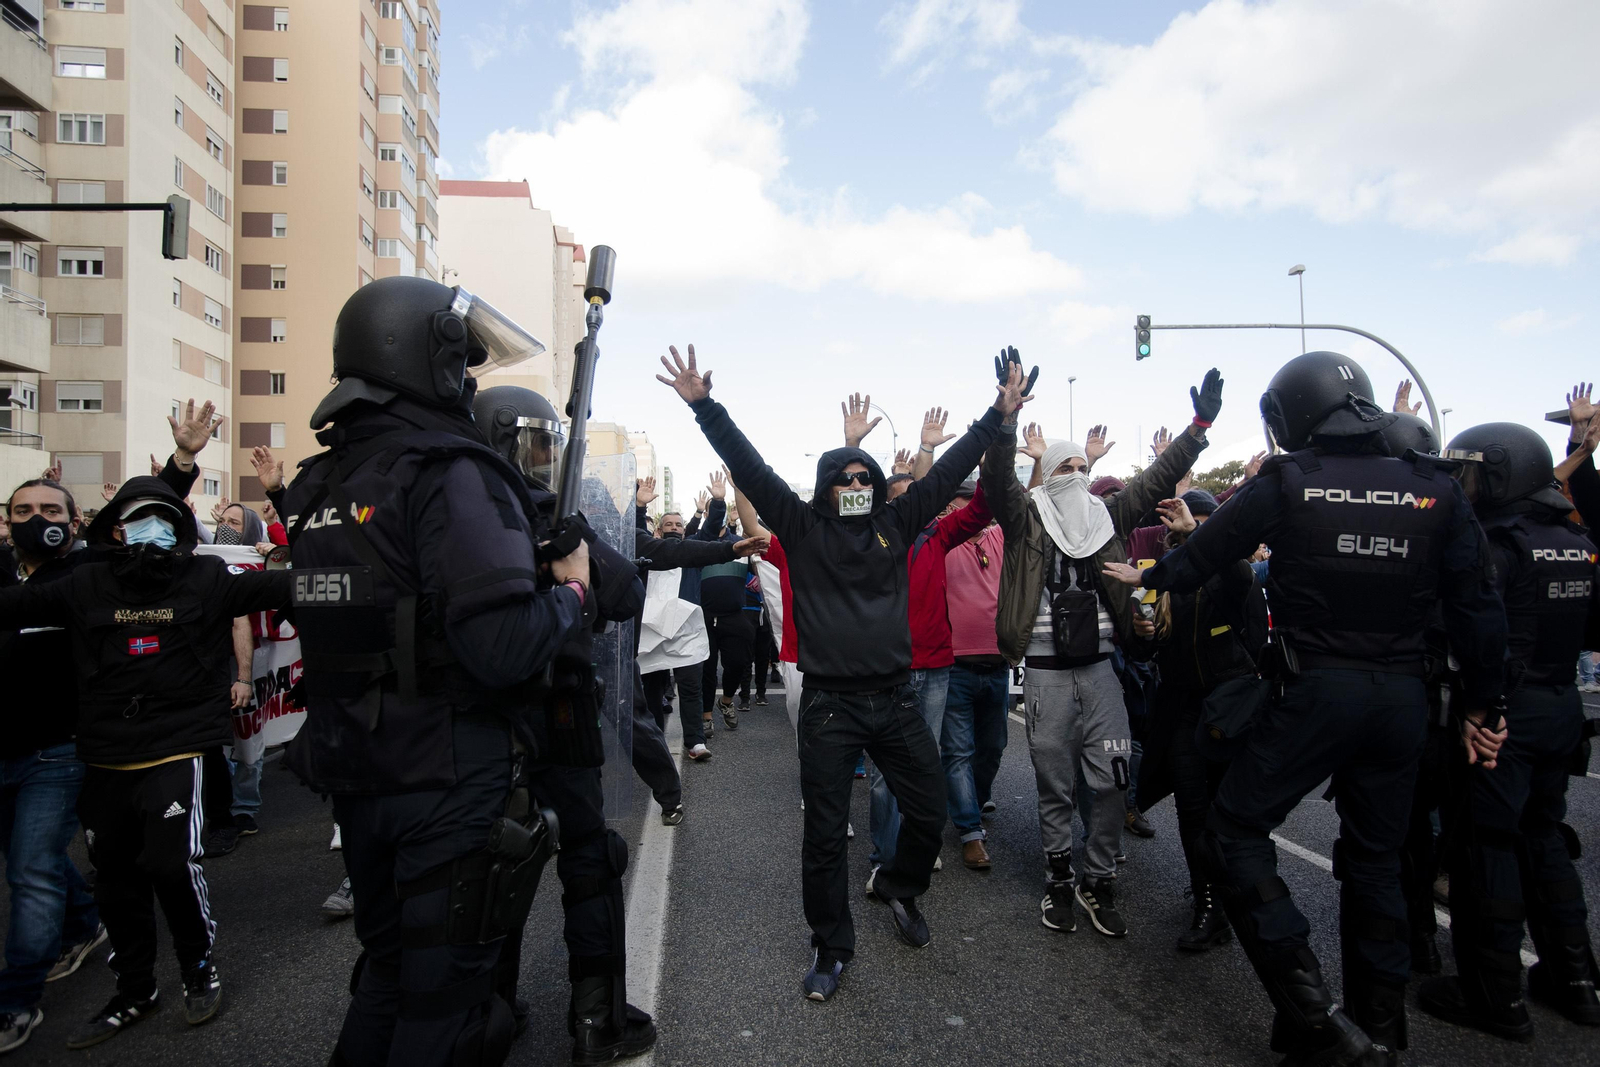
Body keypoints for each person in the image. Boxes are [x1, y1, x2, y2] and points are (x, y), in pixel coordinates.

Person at [1102, 352, 1507, 1067]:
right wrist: (1485, 706)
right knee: (1378, 862)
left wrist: (1152, 573)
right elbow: (1480, 607)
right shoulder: (1435, 487)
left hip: (1315, 690)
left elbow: (1209, 550)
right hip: (1402, 701)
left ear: (1291, 414)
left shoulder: (1290, 480)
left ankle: (1318, 1020)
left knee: (1231, 832)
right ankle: (1378, 1031)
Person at [656, 343, 1028, 1002]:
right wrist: (705, 407)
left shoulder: (898, 521)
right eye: (845, 478)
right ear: (827, 486)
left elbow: (950, 471)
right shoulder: (801, 528)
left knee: (929, 808)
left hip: (896, 701)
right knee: (825, 835)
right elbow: (752, 466)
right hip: (829, 707)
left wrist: (998, 416)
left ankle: (901, 886)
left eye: (864, 478)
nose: (856, 487)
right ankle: (830, 945)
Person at [282, 276, 591, 1067]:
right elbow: (502, 647)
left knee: (387, 978)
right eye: (466, 365)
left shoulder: (322, 482)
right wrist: (572, 593)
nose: (471, 383)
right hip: (445, 781)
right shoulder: (452, 471)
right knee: (446, 1010)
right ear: (434, 358)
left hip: (358, 771)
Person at [0, 475, 290, 1050]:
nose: (150, 527)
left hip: (176, 748)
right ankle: (134, 989)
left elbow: (296, 586)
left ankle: (197, 969)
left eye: (162, 515)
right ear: (114, 529)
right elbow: (15, 603)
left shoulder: (207, 577)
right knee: (114, 880)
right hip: (106, 755)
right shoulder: (83, 583)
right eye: (136, 517)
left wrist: (378, 574)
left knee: (169, 864)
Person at [0, 402, 222, 1056]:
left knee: (38, 866)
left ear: (76, 525)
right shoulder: (11, 577)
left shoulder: (89, 576)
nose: (37, 522)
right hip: (48, 751)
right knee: (94, 873)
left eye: (51, 511)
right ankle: (124, 975)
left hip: (69, 749)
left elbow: (148, 525)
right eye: (22, 511)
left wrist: (182, 463)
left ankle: (18, 999)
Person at [983, 367, 1221, 940]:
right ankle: (1059, 878)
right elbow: (995, 478)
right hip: (1045, 673)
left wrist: (1198, 428)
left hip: (1099, 671)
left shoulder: (1105, 517)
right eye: (1066, 468)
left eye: (1082, 469)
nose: (1077, 476)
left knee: (1113, 779)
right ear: (1047, 475)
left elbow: (1155, 478)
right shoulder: (1026, 517)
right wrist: (1005, 420)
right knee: (1055, 783)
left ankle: (1100, 880)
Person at [470, 383, 664, 1061]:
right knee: (583, 858)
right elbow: (624, 590)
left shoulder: (456, 515)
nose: (546, 456)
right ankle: (595, 1019)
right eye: (536, 443)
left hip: (493, 719)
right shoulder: (538, 514)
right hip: (553, 709)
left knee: (498, 861)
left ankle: (494, 1010)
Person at [1418, 421, 1600, 1039]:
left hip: (1500, 719)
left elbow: (1461, 627)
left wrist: (1479, 706)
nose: (1463, 484)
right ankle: (1576, 979)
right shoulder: (1574, 540)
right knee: (1544, 839)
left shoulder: (1495, 544)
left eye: (1469, 471)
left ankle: (1493, 995)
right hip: (1560, 707)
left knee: (1486, 849)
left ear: (1498, 472)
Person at [1127, 494, 1264, 952]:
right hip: (1183, 707)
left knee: (1233, 812)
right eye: (1182, 523)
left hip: (1232, 706)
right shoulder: (1161, 577)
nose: (1189, 528)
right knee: (1191, 808)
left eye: (1205, 523)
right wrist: (1143, 635)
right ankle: (1208, 905)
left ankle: (1242, 895)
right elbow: (1143, 650)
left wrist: (1196, 534)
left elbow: (1240, 586)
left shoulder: (1232, 571)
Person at [942, 484, 1010, 842]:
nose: (967, 516)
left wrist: (1037, 464)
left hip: (998, 667)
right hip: (955, 668)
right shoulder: (943, 543)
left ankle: (975, 800)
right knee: (958, 751)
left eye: (973, 509)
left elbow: (1025, 505)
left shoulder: (999, 538)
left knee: (993, 747)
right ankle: (969, 830)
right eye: (957, 509)